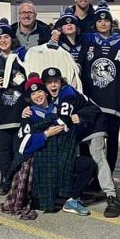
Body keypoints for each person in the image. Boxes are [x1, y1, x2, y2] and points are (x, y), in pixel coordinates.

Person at [41, 67, 120, 218]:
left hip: (93, 126)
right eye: (49, 82)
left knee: (98, 157)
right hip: (79, 130)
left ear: (61, 82)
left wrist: (44, 131)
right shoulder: (52, 98)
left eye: (56, 81)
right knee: (78, 161)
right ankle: (75, 191)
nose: (53, 85)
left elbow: (63, 120)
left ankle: (112, 197)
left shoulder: (67, 92)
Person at [17, 75, 96, 216]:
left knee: (88, 164)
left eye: (40, 91)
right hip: (43, 161)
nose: (37, 96)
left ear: (46, 92)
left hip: (62, 157)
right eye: (33, 94)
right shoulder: (29, 115)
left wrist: (78, 120)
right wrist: (45, 134)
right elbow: (23, 145)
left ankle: (72, 199)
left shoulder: (60, 109)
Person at [80, 0, 120, 173]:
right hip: (91, 104)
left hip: (113, 104)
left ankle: (107, 177)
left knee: (111, 144)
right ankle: (88, 178)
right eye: (99, 20)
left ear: (111, 23)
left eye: (106, 20)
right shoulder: (87, 41)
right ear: (94, 23)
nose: (103, 23)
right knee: (87, 141)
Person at [0, 18, 27, 195]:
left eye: (6, 37)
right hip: (1, 112)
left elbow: (29, 82)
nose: (3, 40)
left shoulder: (22, 56)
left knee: (19, 148)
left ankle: (19, 180)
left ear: (12, 39)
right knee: (4, 149)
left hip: (19, 112)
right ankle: (5, 179)